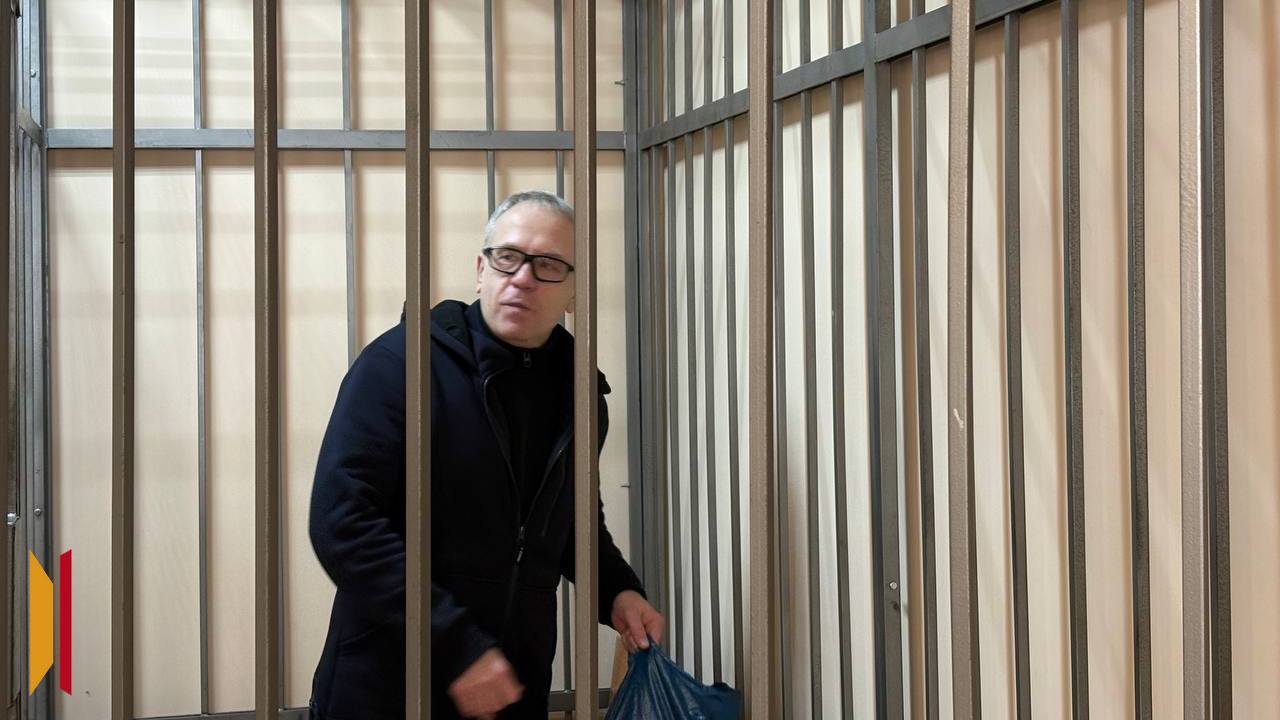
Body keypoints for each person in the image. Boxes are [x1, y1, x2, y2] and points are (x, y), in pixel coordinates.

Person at [308, 190, 665, 720]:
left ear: (573, 291)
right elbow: (342, 521)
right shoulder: (400, 364)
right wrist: (455, 644)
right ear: (481, 270)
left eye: (548, 265)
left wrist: (616, 590)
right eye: (507, 257)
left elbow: (569, 521)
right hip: (389, 681)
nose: (522, 278)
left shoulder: (582, 395)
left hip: (509, 686)